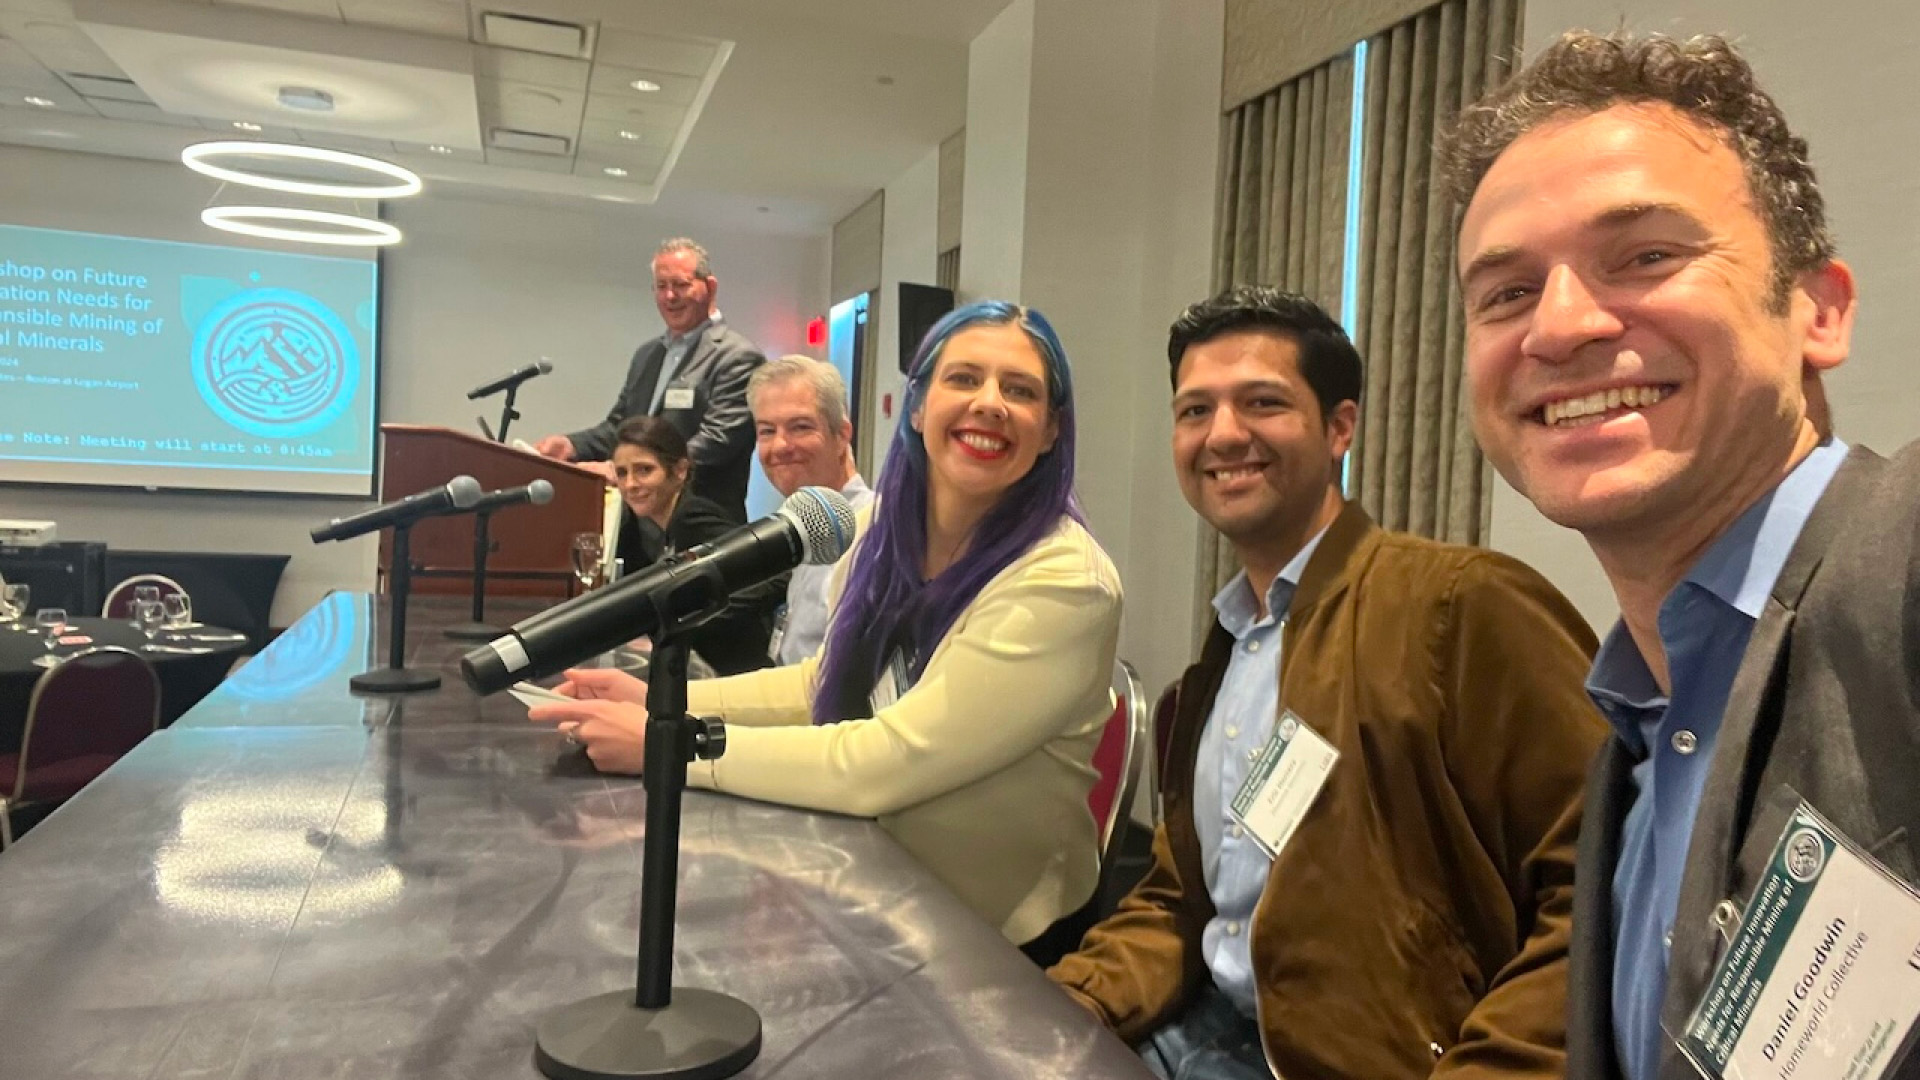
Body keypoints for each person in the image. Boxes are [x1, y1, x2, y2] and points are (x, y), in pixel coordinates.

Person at [1445, 31, 1920, 1080]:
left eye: (1649, 256)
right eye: (1506, 293)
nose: (1560, 326)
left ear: (1820, 310)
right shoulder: (1634, 738)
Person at [1047, 286, 1608, 1080]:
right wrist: (1060, 1008)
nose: (1223, 434)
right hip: (1194, 1029)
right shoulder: (1226, 654)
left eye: (1262, 403)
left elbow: (1603, 883)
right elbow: (1182, 900)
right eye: (1194, 410)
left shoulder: (1460, 606)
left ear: (1340, 426)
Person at [529, 301, 1124, 951]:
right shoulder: (881, 532)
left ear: (1050, 432)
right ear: (919, 407)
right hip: (875, 876)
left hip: (996, 938)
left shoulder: (1067, 580)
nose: (990, 402)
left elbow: (887, 761)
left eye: (1020, 390)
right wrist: (665, 704)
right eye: (964, 378)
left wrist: (671, 747)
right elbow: (829, 678)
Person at [533, 238, 764, 518]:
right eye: (661, 286)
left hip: (701, 524)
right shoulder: (648, 355)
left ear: (710, 287)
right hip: (638, 528)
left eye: (680, 285)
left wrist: (629, 470)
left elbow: (717, 442)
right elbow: (620, 426)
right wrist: (571, 446)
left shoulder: (737, 357)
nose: (670, 296)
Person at [608, 415, 778, 676]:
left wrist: (682, 622)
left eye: (644, 470)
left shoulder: (692, 517)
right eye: (622, 473)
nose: (630, 484)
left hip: (737, 673)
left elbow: (769, 575)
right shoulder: (664, 523)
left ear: (680, 470)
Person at [747, 354, 875, 665]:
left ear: (842, 434)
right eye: (767, 431)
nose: (780, 446)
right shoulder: (811, 525)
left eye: (800, 427)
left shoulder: (873, 532)